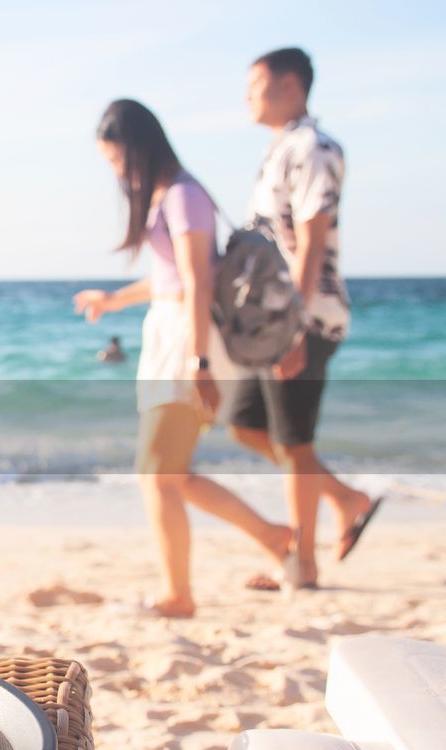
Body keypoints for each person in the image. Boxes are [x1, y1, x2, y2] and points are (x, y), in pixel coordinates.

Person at [74, 99, 294, 618]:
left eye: (116, 159)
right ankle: (273, 534)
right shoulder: (169, 196)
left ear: (140, 147)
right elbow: (169, 277)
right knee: (171, 474)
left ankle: (179, 596)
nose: (116, 171)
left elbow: (199, 281)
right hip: (168, 332)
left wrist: (198, 363)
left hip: (185, 341)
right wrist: (113, 300)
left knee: (156, 474)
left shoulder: (183, 195)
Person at [232, 47, 380, 591]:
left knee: (294, 442)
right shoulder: (281, 149)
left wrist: (294, 325)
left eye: (256, 83)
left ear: (291, 85)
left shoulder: (315, 148)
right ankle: (346, 498)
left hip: (306, 318)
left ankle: (303, 567)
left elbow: (313, 237)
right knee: (246, 424)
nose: (247, 94)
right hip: (271, 321)